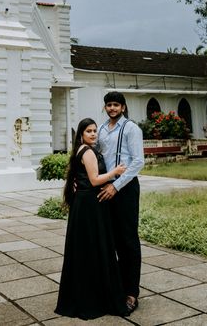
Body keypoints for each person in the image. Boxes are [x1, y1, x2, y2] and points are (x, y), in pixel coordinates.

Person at [55, 118, 129, 320]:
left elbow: (80, 177)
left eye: (95, 130)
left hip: (85, 204)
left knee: (87, 250)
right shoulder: (87, 152)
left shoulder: (81, 150)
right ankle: (95, 299)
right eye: (89, 131)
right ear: (81, 134)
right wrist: (115, 172)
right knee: (96, 248)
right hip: (90, 206)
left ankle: (87, 295)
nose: (94, 134)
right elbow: (95, 180)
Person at [97, 91, 144, 314]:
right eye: (109, 105)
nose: (112, 108)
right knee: (111, 240)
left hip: (125, 189)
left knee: (128, 241)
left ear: (123, 107)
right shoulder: (101, 130)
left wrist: (116, 186)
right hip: (105, 188)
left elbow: (138, 162)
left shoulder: (131, 128)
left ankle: (132, 293)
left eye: (116, 105)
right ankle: (117, 287)